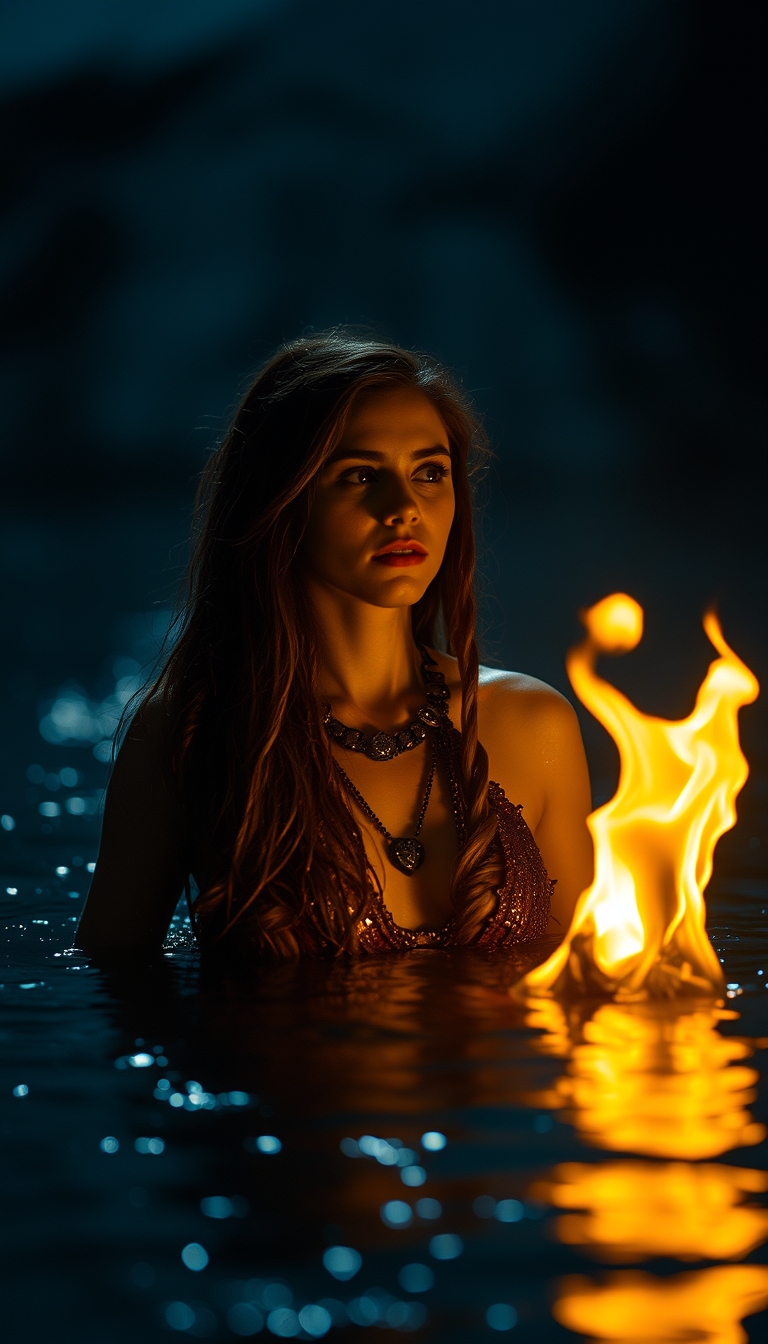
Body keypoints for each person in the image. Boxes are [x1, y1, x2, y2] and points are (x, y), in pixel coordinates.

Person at [77, 332, 592, 959]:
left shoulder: (534, 724)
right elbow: (114, 987)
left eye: (430, 472)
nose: (404, 508)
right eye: (360, 476)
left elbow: (586, 984)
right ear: (282, 500)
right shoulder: (193, 731)